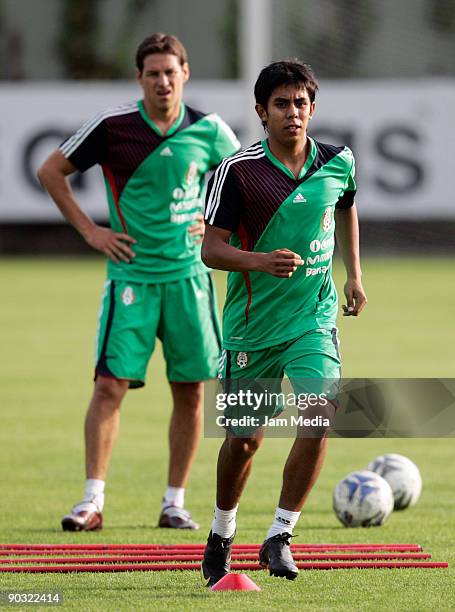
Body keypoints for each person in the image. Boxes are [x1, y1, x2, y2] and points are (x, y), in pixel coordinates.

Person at [37, 32, 240, 532]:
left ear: (185, 74)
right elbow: (50, 170)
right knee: (109, 387)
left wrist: (217, 226)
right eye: (153, 73)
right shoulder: (113, 126)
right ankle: (91, 502)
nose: (163, 81)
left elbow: (246, 182)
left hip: (191, 280)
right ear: (139, 79)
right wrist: (90, 231)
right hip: (131, 278)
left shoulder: (210, 130)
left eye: (171, 72)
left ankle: (175, 503)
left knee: (191, 392)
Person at [201, 60, 367, 583]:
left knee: (322, 413)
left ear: (312, 109)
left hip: (312, 321)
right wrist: (260, 260)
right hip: (251, 329)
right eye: (281, 104)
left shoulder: (338, 161)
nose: (292, 112)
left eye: (300, 103)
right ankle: (223, 530)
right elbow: (210, 249)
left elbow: (346, 206)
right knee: (244, 441)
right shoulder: (238, 171)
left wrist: (354, 275)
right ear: (261, 112)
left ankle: (280, 534)